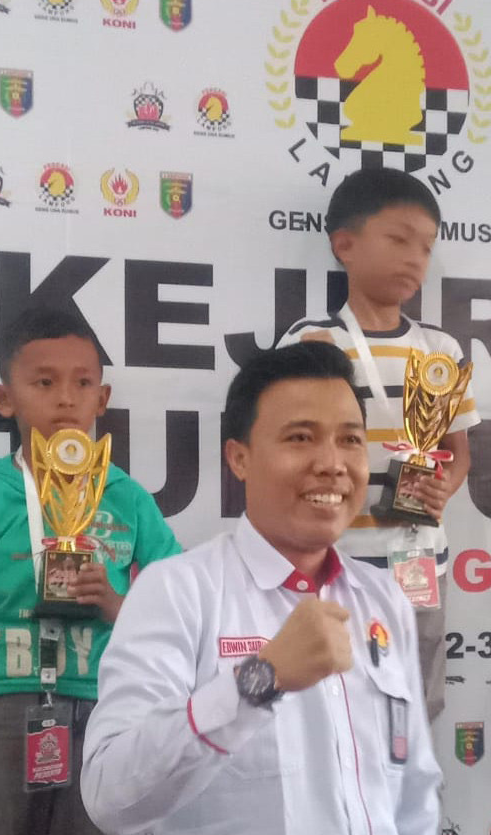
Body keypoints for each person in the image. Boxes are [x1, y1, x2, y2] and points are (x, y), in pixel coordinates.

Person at [81, 342, 441, 834]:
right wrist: (259, 680)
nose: (332, 463)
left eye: (350, 440)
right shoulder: (177, 591)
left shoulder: (384, 599)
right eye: (300, 437)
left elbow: (415, 795)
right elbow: (109, 794)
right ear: (239, 458)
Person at [0, 307, 181, 835]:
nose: (66, 399)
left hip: (107, 703)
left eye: (83, 383)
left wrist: (116, 604)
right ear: (5, 398)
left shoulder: (126, 497)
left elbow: (179, 612)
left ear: (103, 397)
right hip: (3, 708)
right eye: (45, 382)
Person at [278, 167, 479, 722]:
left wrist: (440, 489)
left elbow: (459, 454)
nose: (416, 259)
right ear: (344, 245)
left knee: (417, 704)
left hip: (419, 560)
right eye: (398, 239)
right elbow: (289, 447)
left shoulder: (440, 349)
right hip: (334, 559)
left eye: (427, 247)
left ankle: (410, 784)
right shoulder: (313, 340)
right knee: (331, 703)